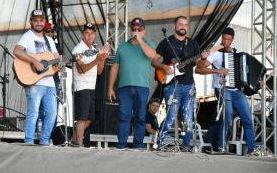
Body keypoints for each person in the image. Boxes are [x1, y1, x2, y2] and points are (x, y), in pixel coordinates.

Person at [195, 27, 260, 155]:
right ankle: (221, 147)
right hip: (222, 89)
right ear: (221, 38)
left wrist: (256, 84)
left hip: (237, 91)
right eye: (224, 38)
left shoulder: (237, 55)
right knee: (227, 118)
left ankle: (251, 150)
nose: (225, 41)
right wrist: (217, 70)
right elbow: (199, 69)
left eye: (228, 39)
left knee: (248, 119)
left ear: (232, 40)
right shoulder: (216, 53)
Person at [152, 16, 205, 148]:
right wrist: (164, 67)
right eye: (180, 24)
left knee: (188, 118)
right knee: (170, 117)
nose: (183, 27)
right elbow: (154, 60)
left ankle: (186, 145)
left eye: (186, 25)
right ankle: (161, 143)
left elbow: (200, 65)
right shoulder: (166, 42)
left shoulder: (193, 44)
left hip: (189, 86)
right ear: (174, 26)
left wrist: (203, 58)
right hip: (171, 86)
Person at [107, 17, 157, 150]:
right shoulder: (122, 47)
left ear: (144, 31)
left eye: (139, 29)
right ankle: (121, 144)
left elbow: (152, 55)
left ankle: (138, 145)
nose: (136, 31)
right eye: (134, 29)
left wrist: (140, 40)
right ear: (130, 30)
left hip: (142, 87)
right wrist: (110, 87)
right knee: (124, 116)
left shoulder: (148, 44)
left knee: (140, 117)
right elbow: (115, 67)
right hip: (124, 87)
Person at [13, 9, 59, 146]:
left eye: (41, 20)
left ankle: (45, 140)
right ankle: (29, 140)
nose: (38, 23)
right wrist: (34, 61)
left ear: (44, 22)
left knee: (52, 114)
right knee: (33, 112)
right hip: (34, 81)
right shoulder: (27, 36)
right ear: (31, 22)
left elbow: (56, 59)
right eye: (36, 20)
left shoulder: (49, 40)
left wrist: (68, 61)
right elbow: (17, 51)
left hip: (50, 83)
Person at [71, 23, 110, 146]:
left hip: (91, 87)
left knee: (89, 119)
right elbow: (81, 69)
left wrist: (102, 58)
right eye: (87, 33)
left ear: (95, 35)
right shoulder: (78, 49)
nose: (89, 36)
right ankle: (79, 145)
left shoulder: (93, 50)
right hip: (81, 87)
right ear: (82, 35)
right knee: (82, 118)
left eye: (92, 33)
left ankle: (74, 140)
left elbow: (99, 71)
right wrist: (97, 59)